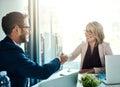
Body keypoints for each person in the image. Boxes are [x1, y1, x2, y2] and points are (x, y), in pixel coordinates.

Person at [0, 12, 65, 87]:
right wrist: (59, 60)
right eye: (27, 27)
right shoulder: (10, 51)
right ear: (16, 29)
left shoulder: (6, 47)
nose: (29, 31)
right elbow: (42, 72)